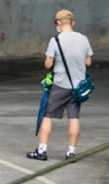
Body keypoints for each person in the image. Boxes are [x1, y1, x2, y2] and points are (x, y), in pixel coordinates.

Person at [27, 9, 93, 161]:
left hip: (60, 85)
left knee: (47, 116)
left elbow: (48, 63)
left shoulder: (55, 40)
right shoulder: (84, 39)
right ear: (73, 22)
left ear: (58, 23)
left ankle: (42, 151)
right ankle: (71, 152)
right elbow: (88, 62)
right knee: (74, 117)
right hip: (78, 87)